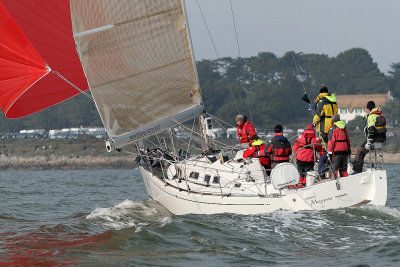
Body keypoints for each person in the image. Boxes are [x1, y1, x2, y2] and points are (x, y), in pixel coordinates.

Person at [352, 101, 387, 173]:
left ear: (368, 109)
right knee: (361, 148)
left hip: (375, 138)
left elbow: (371, 130)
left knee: (360, 150)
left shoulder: (371, 117)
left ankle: (357, 170)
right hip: (382, 138)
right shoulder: (379, 114)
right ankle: (357, 165)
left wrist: (369, 142)